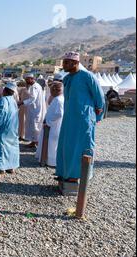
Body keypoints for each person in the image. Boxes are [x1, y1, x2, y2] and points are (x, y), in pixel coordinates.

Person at [56, 51, 105, 183]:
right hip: (69, 119)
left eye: (67, 62)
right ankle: (64, 172)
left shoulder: (88, 76)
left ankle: (78, 175)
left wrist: (97, 117)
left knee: (82, 146)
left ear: (76, 63)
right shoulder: (66, 79)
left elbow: (99, 98)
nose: (64, 65)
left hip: (84, 119)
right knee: (67, 146)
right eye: (64, 62)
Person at [0, 82, 20, 174]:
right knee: (12, 146)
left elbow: (0, 114)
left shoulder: (3, 100)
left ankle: (1, 168)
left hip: (3, 129)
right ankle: (11, 167)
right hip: (12, 128)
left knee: (1, 147)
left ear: (5, 91)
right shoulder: (13, 100)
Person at [36, 81, 64, 167]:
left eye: (51, 90)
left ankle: (51, 162)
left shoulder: (59, 100)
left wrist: (49, 121)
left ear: (56, 90)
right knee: (49, 144)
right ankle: (46, 159)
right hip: (51, 125)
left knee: (52, 145)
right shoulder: (57, 99)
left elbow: (59, 114)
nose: (50, 92)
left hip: (54, 127)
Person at [18, 73, 46, 148]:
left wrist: (22, 102)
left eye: (27, 80)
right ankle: (33, 142)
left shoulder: (34, 87)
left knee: (35, 126)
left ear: (31, 79)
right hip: (33, 109)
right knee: (33, 126)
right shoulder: (35, 86)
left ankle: (36, 143)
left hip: (35, 110)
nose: (26, 81)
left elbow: (33, 98)